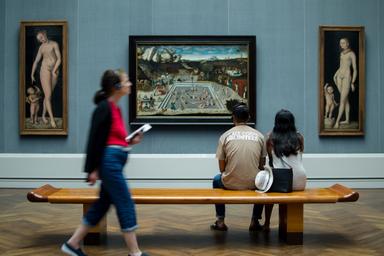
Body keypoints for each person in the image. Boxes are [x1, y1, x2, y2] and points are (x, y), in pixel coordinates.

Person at [61, 69, 149, 256]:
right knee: (125, 203)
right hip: (110, 164)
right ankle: (135, 253)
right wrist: (92, 169)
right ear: (116, 86)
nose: (130, 84)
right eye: (127, 81)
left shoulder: (116, 108)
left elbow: (113, 139)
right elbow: (94, 140)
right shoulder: (103, 108)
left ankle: (73, 244)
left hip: (114, 162)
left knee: (102, 205)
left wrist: (129, 141)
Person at [211, 103, 267, 231]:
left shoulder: (225, 136)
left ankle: (220, 220)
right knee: (265, 181)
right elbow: (261, 166)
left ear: (233, 118)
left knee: (216, 180)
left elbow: (221, 169)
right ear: (248, 118)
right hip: (254, 183)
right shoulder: (259, 136)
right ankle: (255, 220)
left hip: (230, 183)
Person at [264, 109, 307, 231]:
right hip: (300, 180)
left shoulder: (270, 139)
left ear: (276, 123)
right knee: (282, 188)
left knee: (269, 189)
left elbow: (271, 161)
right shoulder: (299, 137)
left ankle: (267, 223)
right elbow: (300, 158)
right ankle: (284, 223)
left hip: (283, 180)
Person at [31, 30, 61, 128]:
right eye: (39, 39)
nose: (41, 40)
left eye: (41, 37)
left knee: (48, 95)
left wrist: (54, 70)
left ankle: (43, 115)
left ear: (44, 34)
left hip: (54, 71)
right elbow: (36, 61)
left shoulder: (54, 44)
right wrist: (32, 74)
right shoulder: (41, 48)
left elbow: (59, 59)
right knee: (48, 95)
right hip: (45, 70)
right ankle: (52, 120)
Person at [333, 37, 357, 128]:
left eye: (343, 43)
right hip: (339, 77)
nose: (341, 44)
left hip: (347, 78)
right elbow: (341, 66)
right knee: (345, 100)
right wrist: (335, 75)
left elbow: (355, 69)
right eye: (340, 43)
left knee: (342, 100)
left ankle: (337, 121)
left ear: (347, 44)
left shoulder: (352, 54)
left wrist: (353, 82)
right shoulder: (341, 54)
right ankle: (347, 120)